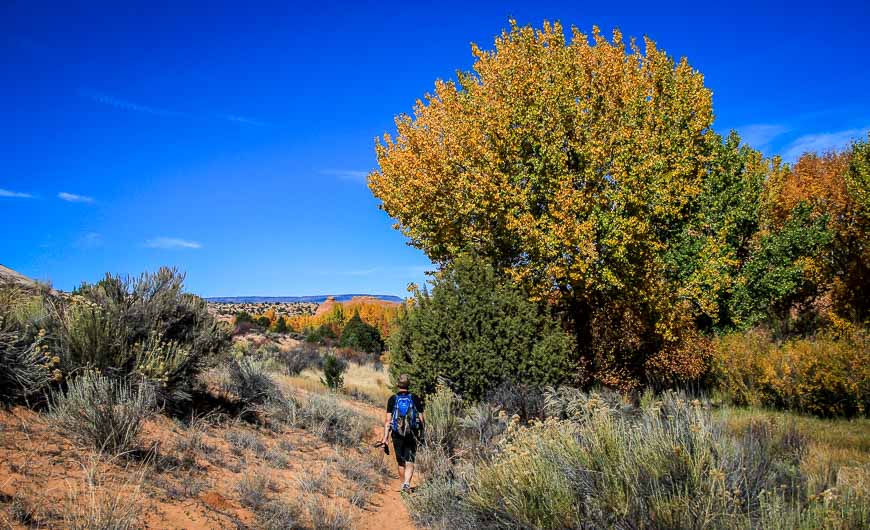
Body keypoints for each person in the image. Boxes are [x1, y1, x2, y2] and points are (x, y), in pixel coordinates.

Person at [381, 373, 424, 492]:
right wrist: (422, 434)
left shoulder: (393, 399)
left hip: (397, 434)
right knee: (410, 460)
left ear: (397, 385)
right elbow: (421, 419)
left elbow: (388, 421)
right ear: (409, 384)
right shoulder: (415, 398)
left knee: (401, 462)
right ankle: (406, 483)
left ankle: (402, 484)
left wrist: (385, 438)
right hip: (412, 434)